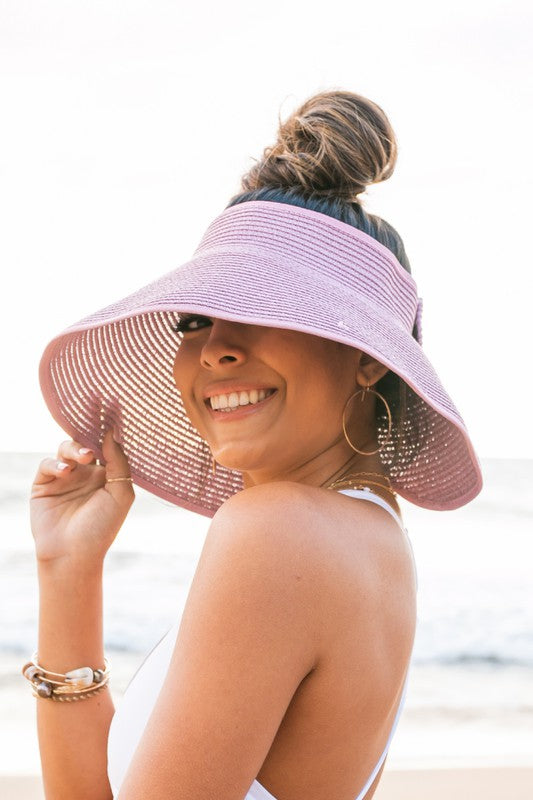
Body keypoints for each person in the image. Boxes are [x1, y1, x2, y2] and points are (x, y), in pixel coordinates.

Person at [26, 90, 483, 800]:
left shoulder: (277, 533)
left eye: (267, 309)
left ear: (367, 356)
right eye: (196, 320)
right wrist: (67, 572)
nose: (217, 349)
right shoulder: (367, 539)